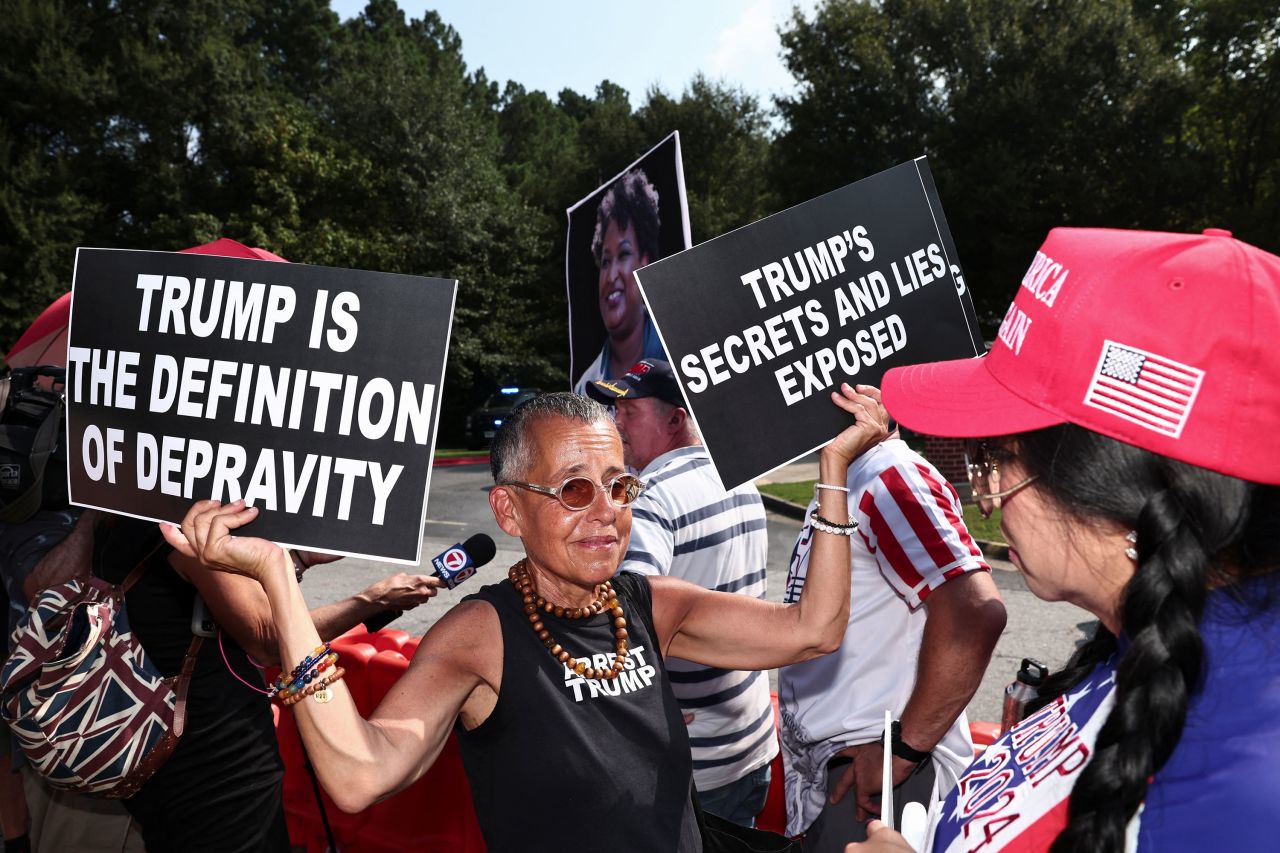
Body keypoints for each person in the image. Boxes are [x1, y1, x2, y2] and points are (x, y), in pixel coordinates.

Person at [161, 386, 890, 852]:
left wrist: (832, 473)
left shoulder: (649, 601)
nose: (607, 512)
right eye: (575, 489)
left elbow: (812, 630)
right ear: (509, 509)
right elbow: (359, 775)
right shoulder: (481, 633)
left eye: (620, 485)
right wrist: (278, 586)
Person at [850, 227, 1280, 852]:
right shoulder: (1151, 636)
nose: (987, 498)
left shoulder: (1246, 791)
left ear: (1116, 491)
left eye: (994, 457)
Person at [21, 510, 445, 853]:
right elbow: (267, 639)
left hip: (154, 750)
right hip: (217, 764)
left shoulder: (123, 516)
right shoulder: (187, 523)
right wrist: (372, 601)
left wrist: (295, 562)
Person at [777, 423, 1005, 850]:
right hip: (851, 769)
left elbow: (974, 612)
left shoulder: (891, 476)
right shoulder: (855, 471)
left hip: (876, 781)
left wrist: (902, 750)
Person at [586, 359, 779, 827]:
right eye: (615, 410)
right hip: (749, 743)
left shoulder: (651, 496)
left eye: (630, 410)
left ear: (676, 417)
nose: (616, 422)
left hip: (692, 764)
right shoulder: (738, 479)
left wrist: (644, 709)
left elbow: (623, 621)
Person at [572, 168, 668, 395]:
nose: (611, 275)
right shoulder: (584, 390)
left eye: (624, 255)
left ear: (644, 264)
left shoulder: (678, 352)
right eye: (605, 261)